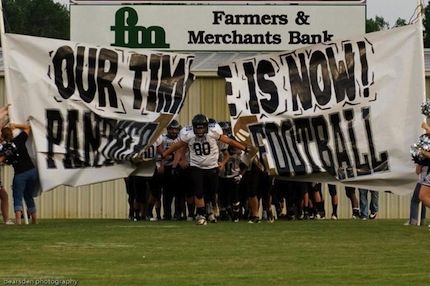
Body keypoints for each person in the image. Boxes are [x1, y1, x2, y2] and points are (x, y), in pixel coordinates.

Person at [162, 114, 247, 225]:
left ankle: (212, 206)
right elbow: (177, 145)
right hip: (196, 166)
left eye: (202, 127)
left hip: (212, 166)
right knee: (199, 192)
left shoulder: (213, 132)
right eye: (197, 127)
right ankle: (201, 215)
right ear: (193, 127)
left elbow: (229, 141)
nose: (200, 130)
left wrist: (244, 148)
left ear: (207, 126)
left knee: (212, 192)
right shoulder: (189, 135)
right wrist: (165, 154)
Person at [1, 123, 38, 224]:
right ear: (12, 134)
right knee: (28, 196)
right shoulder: (19, 140)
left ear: (2, 136)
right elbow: (28, 127)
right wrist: (15, 125)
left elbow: (2, 160)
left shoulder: (5, 149)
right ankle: (34, 219)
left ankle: (18, 220)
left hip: (20, 174)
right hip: (32, 171)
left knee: (17, 196)